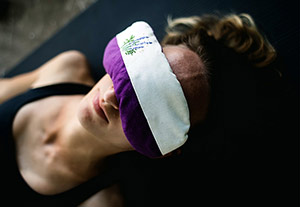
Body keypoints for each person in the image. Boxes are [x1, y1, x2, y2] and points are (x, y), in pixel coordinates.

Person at [0, 13, 281, 206]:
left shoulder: (98, 202)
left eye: (148, 106)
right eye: (132, 71)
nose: (110, 95)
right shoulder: (65, 68)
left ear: (165, 149)